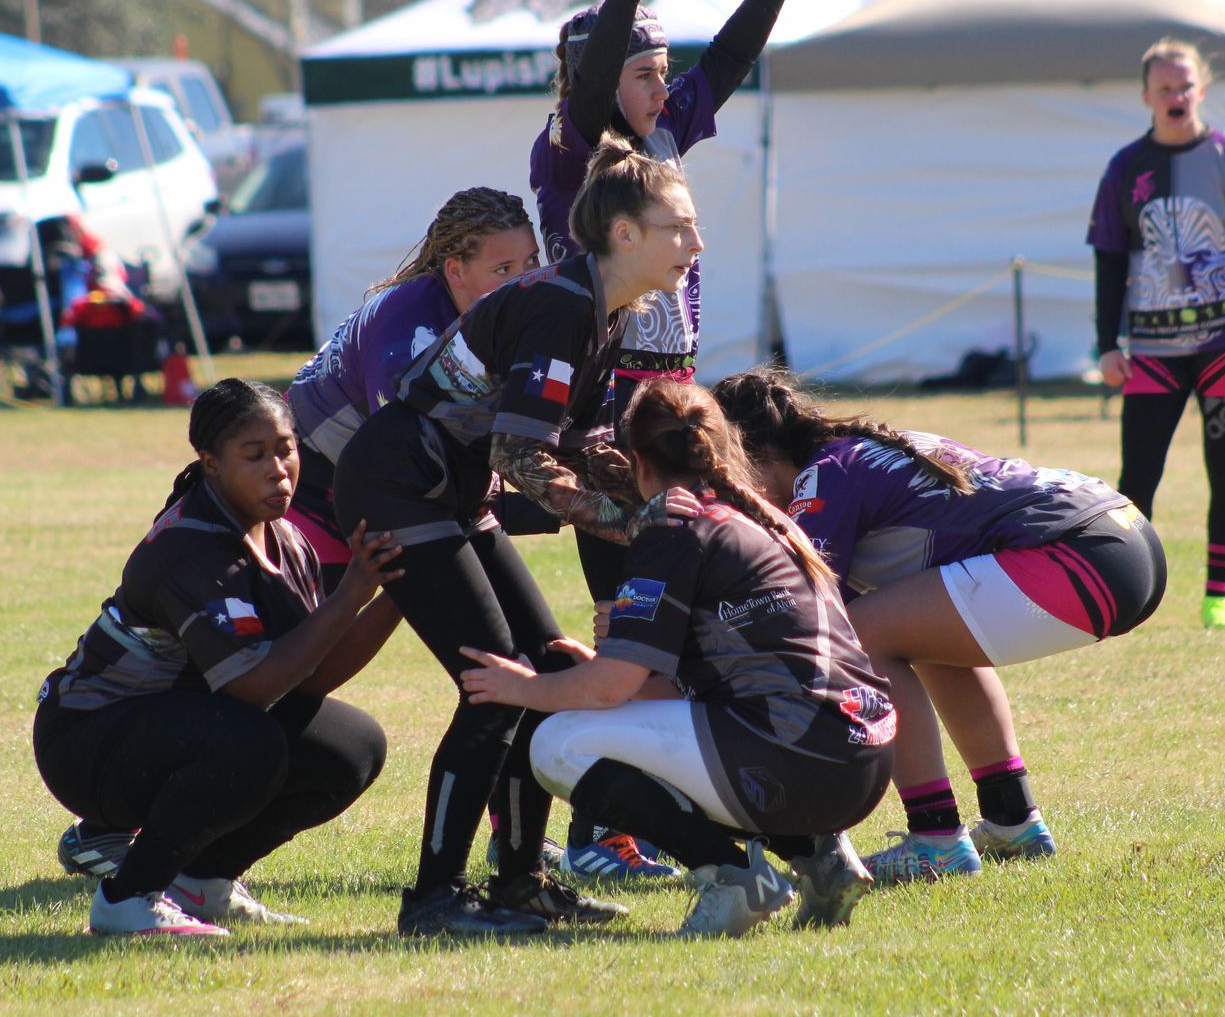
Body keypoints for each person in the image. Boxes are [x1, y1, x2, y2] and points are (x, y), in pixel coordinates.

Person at [331, 141, 705, 936]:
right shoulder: (565, 304)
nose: (695, 247)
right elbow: (517, 455)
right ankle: (432, 900)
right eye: (679, 228)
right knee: (495, 685)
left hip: (453, 494)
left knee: (546, 672)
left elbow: (571, 444)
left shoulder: (607, 312)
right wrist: (627, 521)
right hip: (401, 487)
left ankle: (520, 884)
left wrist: (682, 499)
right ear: (624, 235)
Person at [527, 0, 820, 877]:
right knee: (626, 620)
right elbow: (595, 80)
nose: (661, 88)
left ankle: (659, 808)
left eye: (663, 73)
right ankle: (594, 833)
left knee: (687, 608)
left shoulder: (662, 138)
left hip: (675, 401)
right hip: (606, 416)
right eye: (643, 74)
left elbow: (729, 62)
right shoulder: (574, 154)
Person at [461, 380, 895, 938]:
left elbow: (608, 689)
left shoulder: (671, 526)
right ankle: (821, 859)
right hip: (863, 760)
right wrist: (603, 664)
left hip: (797, 761)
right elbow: (693, 685)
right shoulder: (766, 517)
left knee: (557, 744)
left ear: (637, 462)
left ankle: (735, 877)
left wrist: (521, 686)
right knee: (656, 733)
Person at [712, 367, 1166, 884]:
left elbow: (805, 613)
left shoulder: (821, 477)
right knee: (917, 634)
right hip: (1125, 534)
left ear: (760, 455)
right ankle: (1012, 818)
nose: (733, 494)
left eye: (730, 475)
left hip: (1082, 554)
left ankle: (935, 838)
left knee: (859, 636)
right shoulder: (854, 448)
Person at [33, 378, 404, 936]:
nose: (279, 469)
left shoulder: (285, 537)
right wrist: (353, 592)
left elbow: (311, 675)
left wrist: (399, 588)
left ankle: (204, 882)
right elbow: (253, 689)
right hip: (87, 743)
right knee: (250, 741)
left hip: (177, 727)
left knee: (350, 748)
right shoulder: (193, 547)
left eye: (286, 449)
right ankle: (127, 899)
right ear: (210, 463)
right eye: (254, 455)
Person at [1088, 38, 1225, 630]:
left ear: (1202, 90)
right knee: (1137, 479)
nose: (1176, 97)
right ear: (1146, 95)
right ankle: (1129, 600)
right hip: (1151, 353)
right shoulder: (1126, 167)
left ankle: (1218, 598)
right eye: (1164, 88)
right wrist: (1106, 344)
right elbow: (1109, 261)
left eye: (1185, 86)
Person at [286, 188, 541, 589]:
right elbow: (412, 463)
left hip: (410, 487)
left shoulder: (500, 311)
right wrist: (563, 501)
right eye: (504, 269)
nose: (527, 281)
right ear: (455, 271)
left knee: (526, 640)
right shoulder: (409, 337)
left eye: (532, 261)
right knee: (325, 647)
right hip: (310, 490)